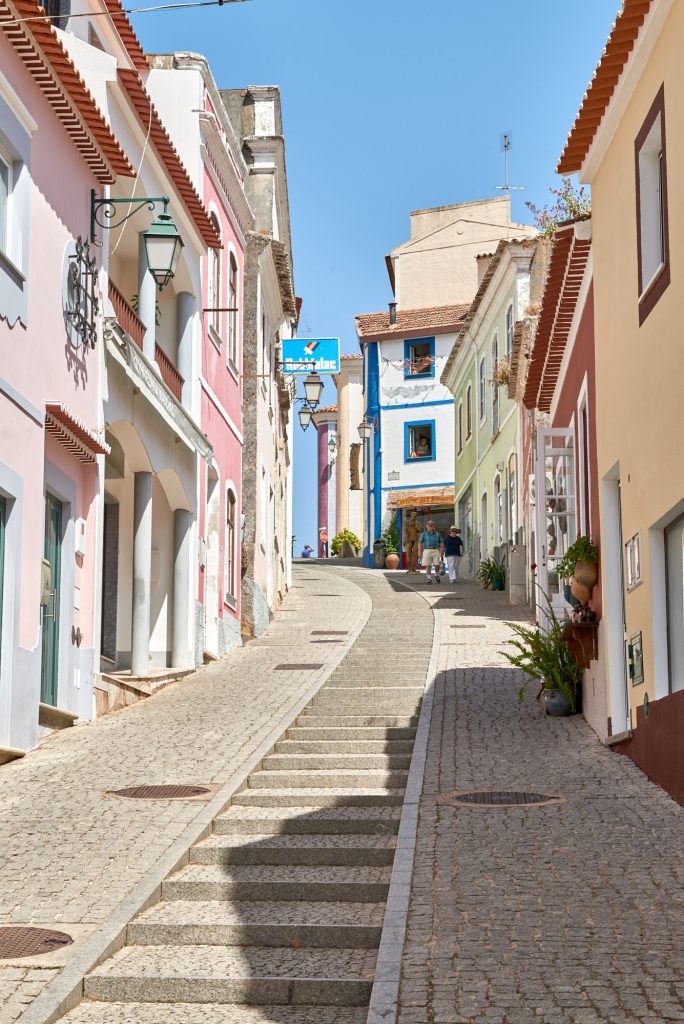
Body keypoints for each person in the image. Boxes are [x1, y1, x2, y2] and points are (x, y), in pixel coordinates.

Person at [418, 520, 444, 584]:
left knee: (437, 564)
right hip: (427, 550)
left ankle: (436, 575)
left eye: (431, 525)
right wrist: (419, 551)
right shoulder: (424, 534)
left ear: (434, 526)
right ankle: (429, 579)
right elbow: (420, 543)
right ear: (427, 526)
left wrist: (442, 550)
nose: (430, 527)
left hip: (436, 550)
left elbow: (441, 542)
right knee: (428, 565)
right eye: (429, 525)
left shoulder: (437, 534)